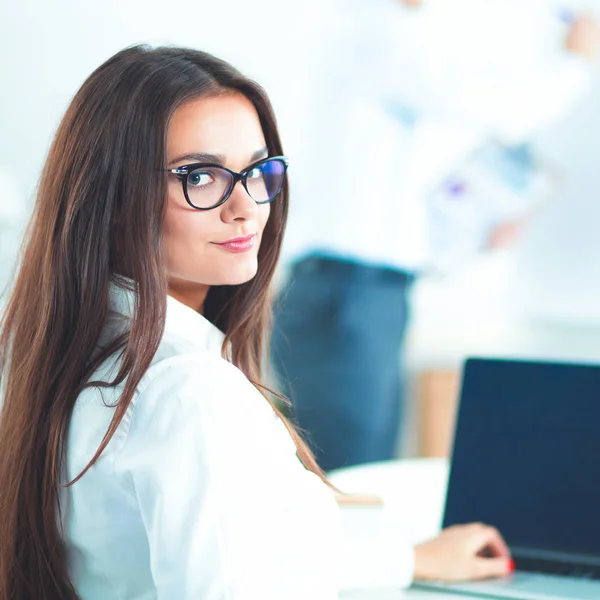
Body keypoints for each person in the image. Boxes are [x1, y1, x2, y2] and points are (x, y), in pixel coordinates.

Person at [0, 45, 514, 600]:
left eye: (257, 170)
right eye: (199, 176)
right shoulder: (189, 390)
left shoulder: (70, 351)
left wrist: (405, 560)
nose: (246, 206)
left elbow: (250, 561)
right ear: (114, 197)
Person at [272, 0, 599, 471]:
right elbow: (502, 109)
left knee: (364, 473)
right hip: (348, 298)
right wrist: (575, 62)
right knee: (351, 478)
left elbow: (401, 184)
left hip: (364, 295)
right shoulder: (378, 31)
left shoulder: (396, 40)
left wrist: (475, 226)